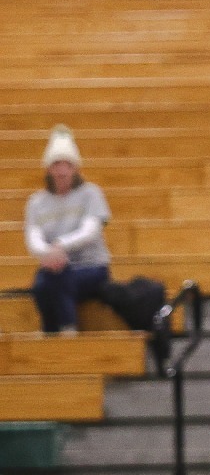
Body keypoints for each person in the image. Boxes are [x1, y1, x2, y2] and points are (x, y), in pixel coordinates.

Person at [23, 126, 113, 335]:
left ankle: (64, 330)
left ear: (75, 168)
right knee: (42, 284)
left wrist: (59, 246)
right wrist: (48, 253)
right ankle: (55, 331)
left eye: (67, 165)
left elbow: (90, 231)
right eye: (56, 164)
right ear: (48, 169)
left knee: (57, 280)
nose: (62, 170)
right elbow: (33, 237)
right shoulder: (36, 202)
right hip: (55, 267)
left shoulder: (91, 194)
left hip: (92, 268)